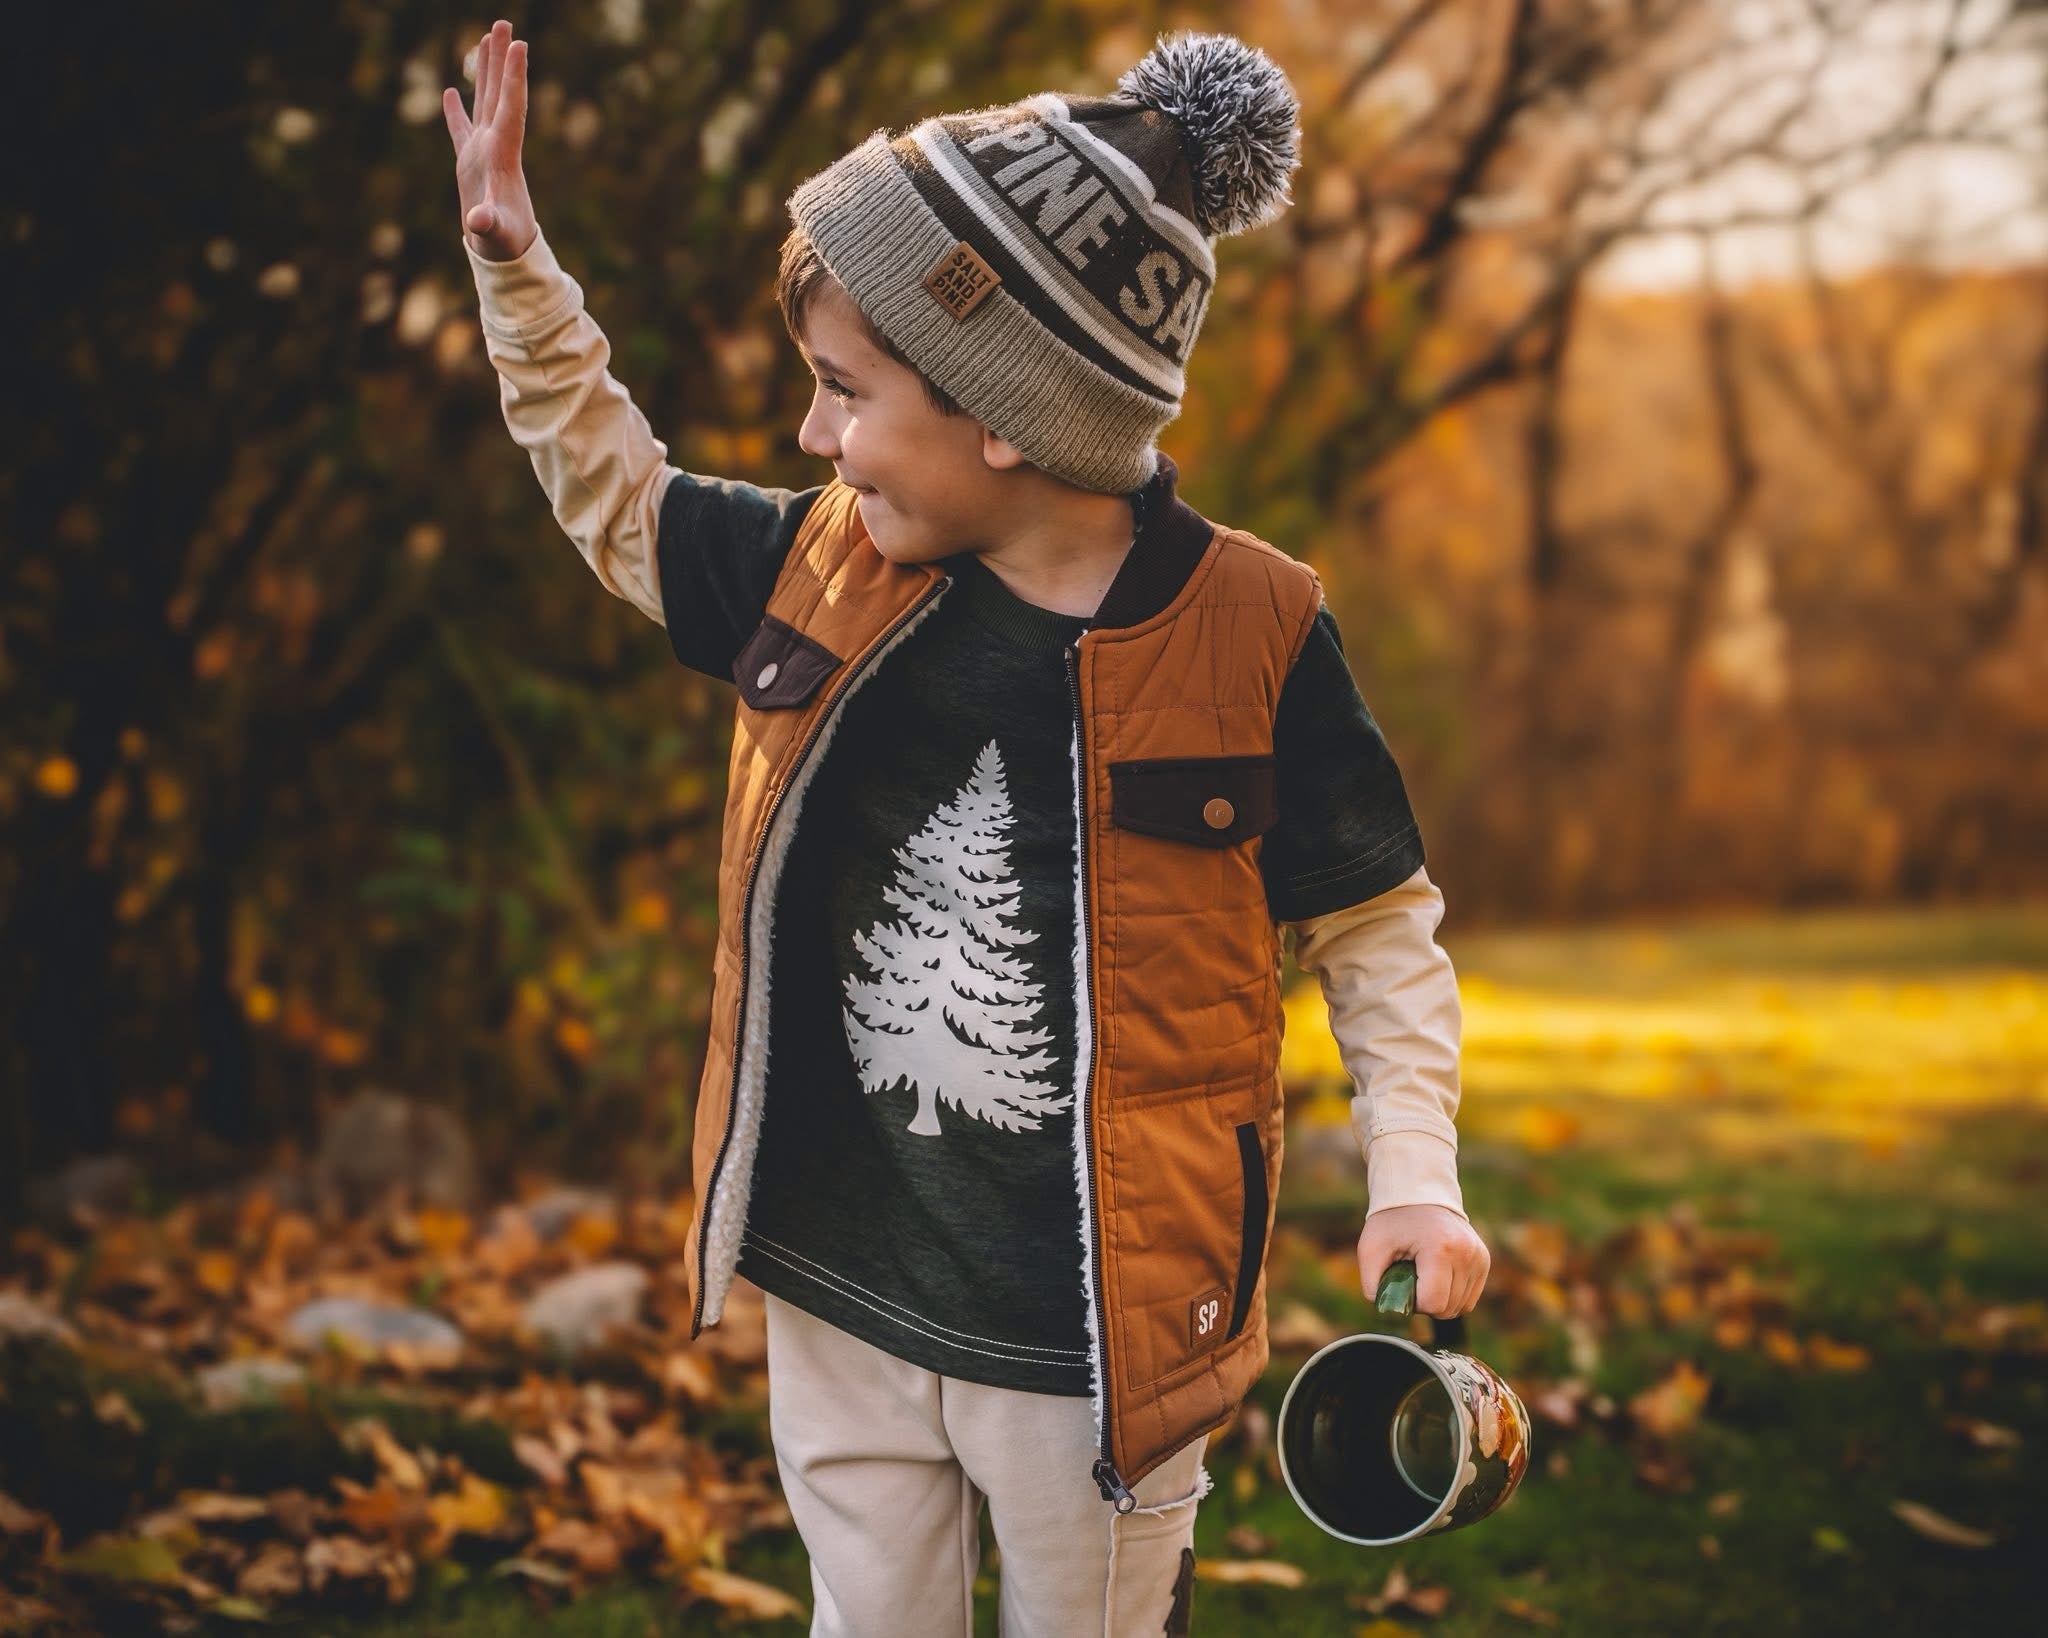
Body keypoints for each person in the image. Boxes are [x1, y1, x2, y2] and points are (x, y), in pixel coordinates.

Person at [447, 20, 1491, 1636]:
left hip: (1096, 1342)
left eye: (845, 392)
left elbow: (1375, 917)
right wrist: (523, 280)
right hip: (841, 1288)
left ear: (1008, 415)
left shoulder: (1255, 631)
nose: (813, 438)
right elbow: (623, 505)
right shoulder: (825, 564)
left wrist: (1414, 1172)